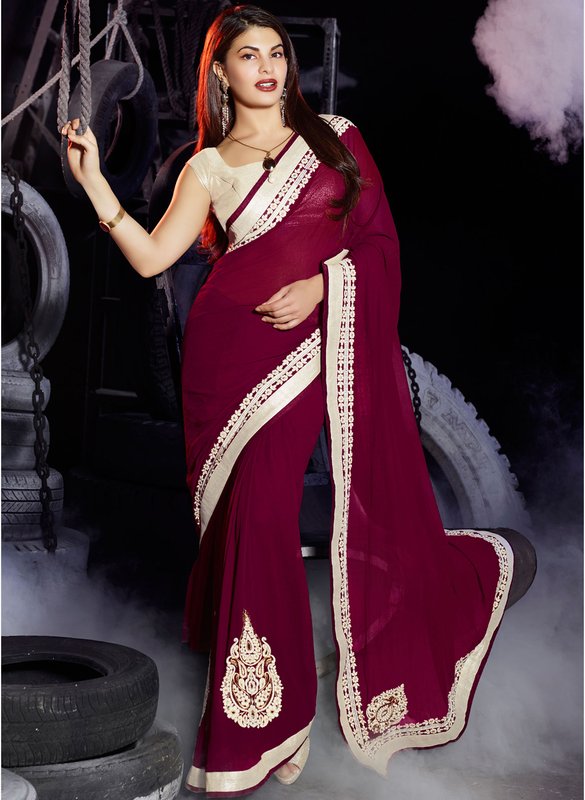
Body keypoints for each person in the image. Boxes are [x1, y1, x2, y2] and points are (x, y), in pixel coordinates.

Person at [61, 4, 515, 796]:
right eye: (249, 55)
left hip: (307, 352)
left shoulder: (334, 140)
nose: (269, 68)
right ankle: (269, 716)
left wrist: (322, 286)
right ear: (220, 71)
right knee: (248, 526)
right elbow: (153, 258)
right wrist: (96, 181)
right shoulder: (206, 168)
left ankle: (260, 725)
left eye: (276, 53)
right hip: (226, 364)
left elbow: (377, 245)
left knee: (262, 516)